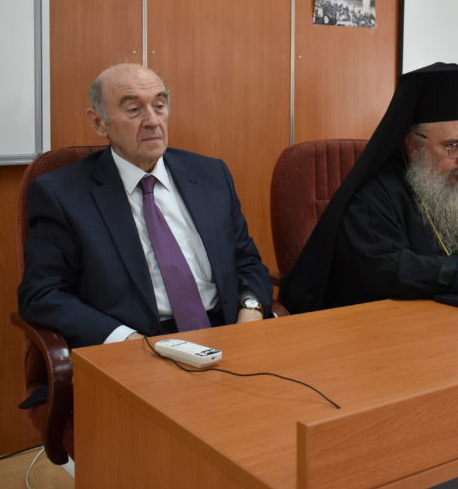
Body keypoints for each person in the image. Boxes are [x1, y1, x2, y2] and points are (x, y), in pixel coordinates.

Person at [18, 64, 273, 348]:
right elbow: (43, 294)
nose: (153, 121)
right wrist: (128, 341)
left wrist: (250, 312)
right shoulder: (63, 195)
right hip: (139, 342)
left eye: (159, 106)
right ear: (99, 122)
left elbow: (247, 261)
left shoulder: (211, 175)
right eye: (134, 110)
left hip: (227, 330)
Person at [280, 62, 458, 313]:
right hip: (387, 324)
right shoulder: (372, 194)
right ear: (413, 145)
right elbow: (387, 271)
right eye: (452, 146)